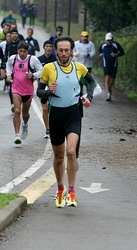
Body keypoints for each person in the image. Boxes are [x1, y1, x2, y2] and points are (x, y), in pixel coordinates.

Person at [37, 36, 95, 208]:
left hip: (73, 115)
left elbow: (91, 82)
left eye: (66, 50)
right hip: (56, 116)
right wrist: (48, 91)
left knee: (71, 152)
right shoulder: (48, 68)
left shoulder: (79, 68)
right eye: (60, 50)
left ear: (71, 51)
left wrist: (88, 97)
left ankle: (72, 191)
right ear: (56, 52)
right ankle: (60, 189)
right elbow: (39, 91)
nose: (63, 53)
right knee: (59, 157)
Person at [6, 41, 42, 144]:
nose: (22, 53)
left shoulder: (33, 59)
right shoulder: (13, 58)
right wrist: (9, 75)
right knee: (17, 111)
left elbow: (41, 70)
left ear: (27, 51)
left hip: (28, 90)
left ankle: (25, 125)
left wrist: (33, 75)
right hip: (16, 89)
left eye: (24, 51)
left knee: (25, 114)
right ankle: (17, 135)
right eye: (20, 51)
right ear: (17, 51)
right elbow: (8, 66)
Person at [37, 40, 56, 139]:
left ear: (52, 48)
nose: (48, 48)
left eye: (50, 46)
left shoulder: (56, 59)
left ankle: (54, 127)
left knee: (53, 108)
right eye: (47, 46)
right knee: (45, 108)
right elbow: (35, 72)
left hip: (53, 85)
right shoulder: (39, 59)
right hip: (42, 86)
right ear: (44, 47)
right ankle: (48, 129)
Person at [98, 32, 125, 102]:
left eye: (110, 40)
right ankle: (108, 94)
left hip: (114, 65)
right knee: (107, 78)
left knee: (112, 80)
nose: (108, 41)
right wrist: (100, 54)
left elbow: (122, 52)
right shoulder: (103, 45)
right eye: (107, 40)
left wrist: (116, 54)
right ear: (105, 40)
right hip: (105, 65)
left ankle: (109, 89)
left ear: (112, 39)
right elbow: (100, 51)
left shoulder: (116, 45)